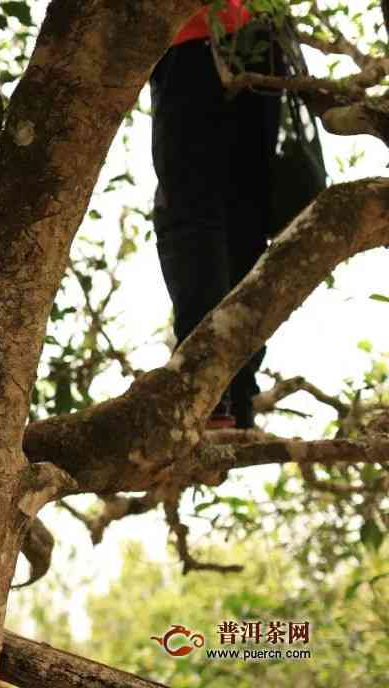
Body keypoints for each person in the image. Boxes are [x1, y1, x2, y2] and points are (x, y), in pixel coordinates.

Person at [151, 0, 282, 429]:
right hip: (259, 42)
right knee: (244, 219)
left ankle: (211, 394)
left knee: (192, 214)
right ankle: (235, 394)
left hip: (195, 41)